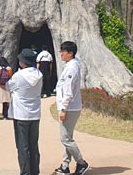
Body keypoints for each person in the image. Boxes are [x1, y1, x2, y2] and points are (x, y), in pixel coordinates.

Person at [55, 41, 89, 175]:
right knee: (67, 137)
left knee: (65, 139)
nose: (61, 53)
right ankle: (65, 165)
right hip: (69, 107)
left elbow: (68, 90)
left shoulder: (71, 68)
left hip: (69, 108)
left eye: (64, 51)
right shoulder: (70, 65)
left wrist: (63, 109)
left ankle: (81, 163)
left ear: (71, 53)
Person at [6, 48, 42, 175]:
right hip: (35, 114)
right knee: (33, 145)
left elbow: (8, 86)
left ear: (23, 62)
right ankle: (35, 171)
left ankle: (25, 172)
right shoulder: (39, 75)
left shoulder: (19, 76)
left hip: (21, 114)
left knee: (22, 147)